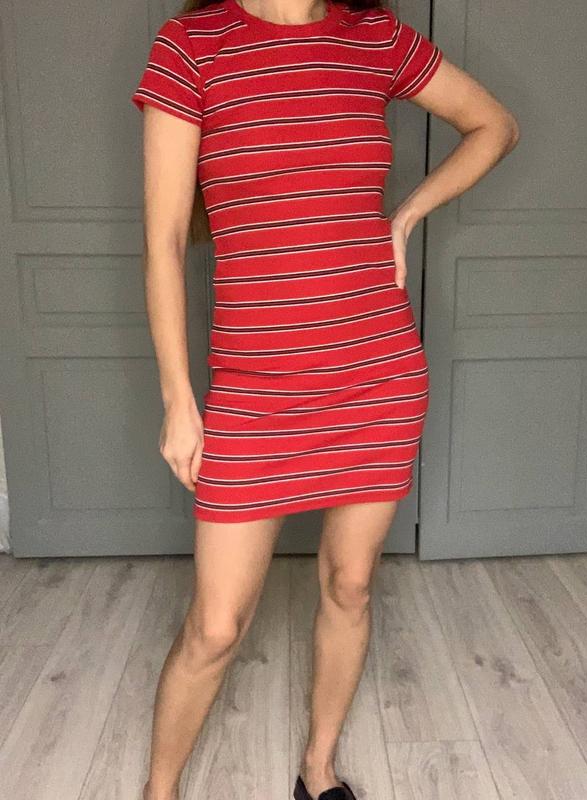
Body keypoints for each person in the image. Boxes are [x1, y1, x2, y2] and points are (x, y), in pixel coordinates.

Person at [130, 1, 519, 798]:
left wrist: (407, 215)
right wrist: (178, 398)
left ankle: (318, 769)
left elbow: (495, 125)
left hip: (376, 376)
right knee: (216, 627)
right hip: (254, 392)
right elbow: (164, 241)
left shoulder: (372, 37)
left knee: (350, 585)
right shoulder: (192, 46)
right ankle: (158, 793)